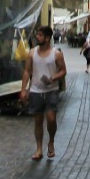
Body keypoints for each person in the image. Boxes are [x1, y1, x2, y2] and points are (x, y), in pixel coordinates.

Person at [20, 25, 66, 160]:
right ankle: (39, 148)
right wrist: (23, 89)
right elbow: (27, 71)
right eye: (37, 35)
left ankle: (51, 140)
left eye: (40, 35)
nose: (37, 37)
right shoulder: (32, 53)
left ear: (47, 38)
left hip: (51, 91)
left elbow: (63, 71)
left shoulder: (56, 54)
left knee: (51, 119)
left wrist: (53, 78)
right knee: (38, 121)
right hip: (35, 91)